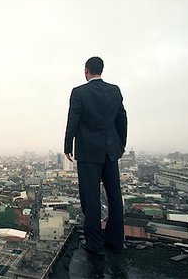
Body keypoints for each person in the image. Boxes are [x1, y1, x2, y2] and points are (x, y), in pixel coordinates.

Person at [64, 56, 127, 254]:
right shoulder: (114, 90)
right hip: (110, 151)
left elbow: (73, 120)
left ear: (86, 70)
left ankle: (94, 244)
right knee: (114, 197)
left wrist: (67, 146)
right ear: (102, 70)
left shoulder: (79, 92)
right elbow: (122, 119)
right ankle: (116, 241)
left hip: (88, 153)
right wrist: (120, 145)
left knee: (91, 199)